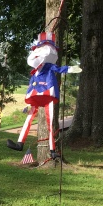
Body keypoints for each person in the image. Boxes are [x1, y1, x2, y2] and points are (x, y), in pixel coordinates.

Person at [7, 31, 81, 159]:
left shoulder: (49, 66)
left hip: (47, 93)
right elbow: (33, 82)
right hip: (36, 94)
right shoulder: (35, 70)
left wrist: (71, 69)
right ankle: (20, 143)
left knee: (49, 121)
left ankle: (52, 150)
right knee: (29, 118)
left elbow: (59, 69)